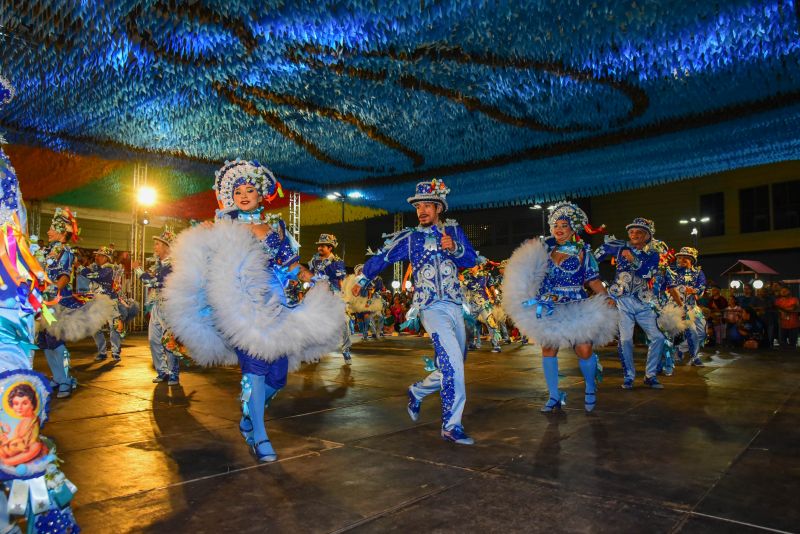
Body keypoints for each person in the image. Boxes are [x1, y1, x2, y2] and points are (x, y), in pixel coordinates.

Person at [163, 159, 343, 463]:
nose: (244, 195)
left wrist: (314, 279)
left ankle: (248, 417)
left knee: (279, 376)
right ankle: (260, 435)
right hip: (238, 305)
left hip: (274, 304)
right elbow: (202, 265)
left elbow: (291, 267)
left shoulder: (275, 230)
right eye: (238, 191)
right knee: (255, 371)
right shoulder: (221, 227)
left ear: (262, 196)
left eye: (250, 190)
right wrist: (204, 235)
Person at [355, 179, 479, 444]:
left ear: (439, 208)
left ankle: (418, 391)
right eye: (418, 206)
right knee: (454, 365)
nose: (421, 211)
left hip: (456, 306)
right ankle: (451, 426)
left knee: (453, 365)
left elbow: (470, 260)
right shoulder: (410, 238)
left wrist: (454, 249)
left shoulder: (454, 232)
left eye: (427, 206)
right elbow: (384, 257)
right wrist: (362, 280)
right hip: (430, 307)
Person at [503, 202, 616, 412]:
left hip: (576, 305)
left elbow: (593, 281)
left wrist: (606, 296)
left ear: (573, 228)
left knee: (584, 349)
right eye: (555, 225)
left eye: (564, 225)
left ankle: (590, 388)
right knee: (548, 348)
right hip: (549, 305)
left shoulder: (584, 252)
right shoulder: (544, 249)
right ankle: (554, 395)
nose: (558, 229)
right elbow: (527, 273)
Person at [36, 209, 115, 397]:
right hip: (45, 303)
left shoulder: (66, 251)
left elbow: (64, 275)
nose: (48, 232)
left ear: (62, 232)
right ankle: (58, 377)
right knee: (46, 341)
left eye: (51, 229)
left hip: (58, 302)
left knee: (56, 341)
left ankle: (65, 379)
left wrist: (54, 289)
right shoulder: (47, 251)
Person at [595, 218, 668, 389]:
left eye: (639, 232)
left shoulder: (653, 254)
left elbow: (647, 273)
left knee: (658, 337)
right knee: (626, 340)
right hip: (622, 301)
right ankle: (629, 376)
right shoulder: (620, 247)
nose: (634, 234)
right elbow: (597, 255)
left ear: (647, 236)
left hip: (643, 302)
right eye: (632, 232)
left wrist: (633, 259)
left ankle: (650, 376)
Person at [132, 229, 181, 385]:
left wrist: (138, 270)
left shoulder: (173, 264)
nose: (155, 247)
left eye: (158, 244)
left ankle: (173, 373)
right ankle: (162, 371)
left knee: (168, 341)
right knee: (153, 339)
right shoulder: (159, 265)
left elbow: (153, 283)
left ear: (167, 247)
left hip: (169, 306)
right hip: (157, 306)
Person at [307, 233, 351, 363]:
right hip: (318, 294)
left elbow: (341, 280)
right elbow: (310, 276)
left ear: (330, 248)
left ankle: (346, 349)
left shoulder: (337, 261)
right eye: (319, 245)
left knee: (344, 323)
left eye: (323, 246)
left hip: (334, 294)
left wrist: (343, 296)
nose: (320, 248)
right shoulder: (314, 260)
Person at [80, 246, 124, 362]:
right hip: (97, 301)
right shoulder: (96, 268)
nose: (96, 257)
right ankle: (102, 351)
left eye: (99, 255)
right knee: (95, 327)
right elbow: (86, 273)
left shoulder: (110, 269)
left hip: (110, 301)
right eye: (96, 255)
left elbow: (93, 275)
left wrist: (80, 267)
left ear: (106, 258)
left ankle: (115, 352)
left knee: (114, 326)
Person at [667, 247, 707, 366]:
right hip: (677, 306)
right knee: (692, 331)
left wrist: (694, 290)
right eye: (679, 257)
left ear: (692, 260)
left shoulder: (698, 272)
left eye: (685, 258)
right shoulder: (672, 271)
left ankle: (680, 349)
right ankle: (695, 356)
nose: (681, 260)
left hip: (692, 306)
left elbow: (702, 286)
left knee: (702, 333)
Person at [461, 263, 502, 352]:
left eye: (472, 266)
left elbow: (477, 286)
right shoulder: (467, 276)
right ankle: (471, 344)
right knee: (469, 326)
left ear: (478, 266)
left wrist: (496, 298)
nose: (470, 268)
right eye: (470, 266)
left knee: (491, 323)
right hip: (471, 305)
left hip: (484, 304)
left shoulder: (485, 275)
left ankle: (496, 345)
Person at [774, 285, 799, 350]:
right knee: (782, 342)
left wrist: (789, 310)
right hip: (782, 323)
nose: (783, 292)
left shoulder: (795, 299)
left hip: (794, 323)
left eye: (785, 291)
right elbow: (776, 310)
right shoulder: (778, 300)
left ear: (789, 291)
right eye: (782, 291)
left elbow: (798, 309)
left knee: (793, 342)